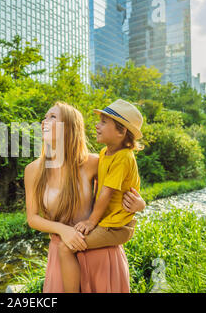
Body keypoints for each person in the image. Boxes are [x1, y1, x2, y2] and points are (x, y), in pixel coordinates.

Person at [24, 101, 146, 293]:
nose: (44, 121)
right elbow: (33, 218)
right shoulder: (32, 170)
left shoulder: (94, 162)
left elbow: (122, 185)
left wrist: (140, 204)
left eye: (52, 117)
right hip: (62, 257)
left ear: (70, 128)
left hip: (101, 256)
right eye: (45, 117)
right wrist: (63, 230)